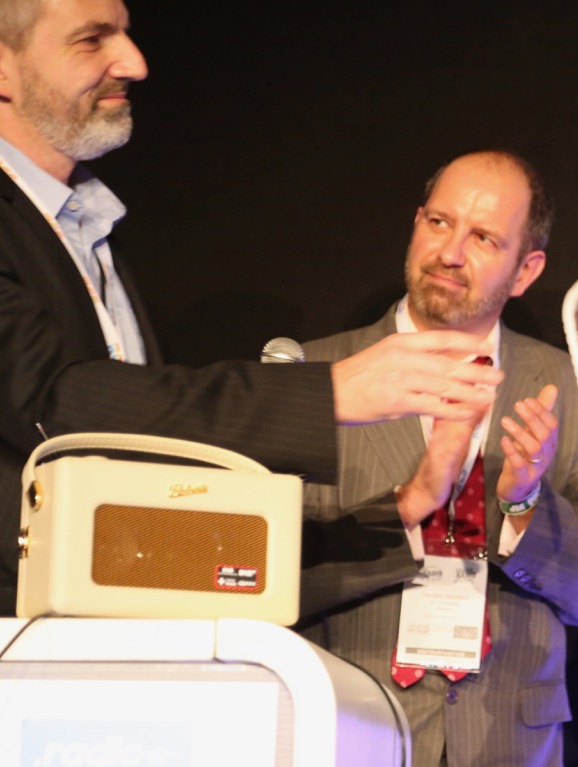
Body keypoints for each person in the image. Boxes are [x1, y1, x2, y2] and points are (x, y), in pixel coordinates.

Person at [0, 0, 501, 615]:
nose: (134, 62)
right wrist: (331, 395)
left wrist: (406, 507)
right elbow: (55, 404)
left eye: (126, 35)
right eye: (90, 40)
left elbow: (139, 483)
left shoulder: (87, 229)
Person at [297, 149, 578, 767]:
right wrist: (408, 505)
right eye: (439, 222)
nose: (449, 250)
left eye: (484, 238)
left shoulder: (570, 386)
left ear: (527, 269)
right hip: (352, 751)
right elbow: (267, 574)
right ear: (415, 224)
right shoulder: (313, 375)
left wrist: (528, 506)